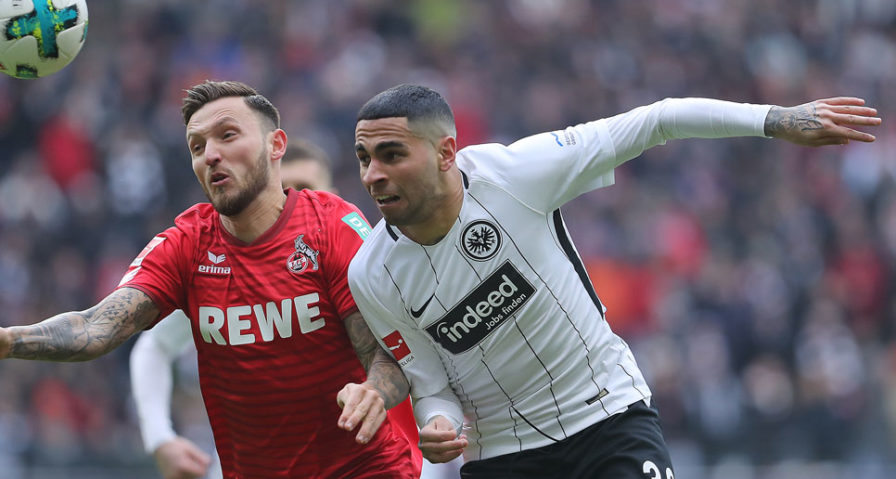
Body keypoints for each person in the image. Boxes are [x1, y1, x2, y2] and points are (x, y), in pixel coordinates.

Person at [346, 84, 881, 478]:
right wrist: (437, 427)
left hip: (607, 416)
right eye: (365, 158)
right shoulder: (371, 274)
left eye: (392, 155)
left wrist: (776, 119)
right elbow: (431, 384)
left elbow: (659, 119)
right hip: (503, 455)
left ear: (445, 153)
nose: (373, 174)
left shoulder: (516, 174)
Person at [0, 80, 421, 479]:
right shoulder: (188, 244)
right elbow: (99, 327)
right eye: (198, 146)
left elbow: (391, 348)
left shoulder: (332, 225)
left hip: (366, 469)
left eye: (227, 135)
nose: (211, 155)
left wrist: (374, 392)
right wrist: (10, 339)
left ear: (276, 146)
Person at [129, 139, 426, 479]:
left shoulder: (368, 263)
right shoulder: (228, 281)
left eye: (305, 189)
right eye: (285, 190)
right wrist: (159, 437)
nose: (294, 200)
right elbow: (154, 345)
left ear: (329, 193)